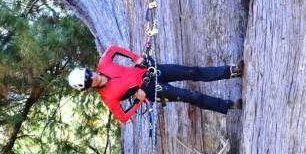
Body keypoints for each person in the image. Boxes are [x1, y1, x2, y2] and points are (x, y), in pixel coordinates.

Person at [67, 45, 243, 123]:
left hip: (150, 71)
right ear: (87, 88)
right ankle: (229, 105)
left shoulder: (104, 63)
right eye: (88, 81)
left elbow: (113, 49)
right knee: (192, 96)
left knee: (192, 72)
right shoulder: (108, 98)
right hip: (151, 90)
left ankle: (231, 71)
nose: (92, 78)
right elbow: (123, 117)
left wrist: (136, 58)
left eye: (88, 74)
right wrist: (137, 101)